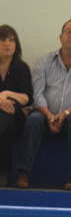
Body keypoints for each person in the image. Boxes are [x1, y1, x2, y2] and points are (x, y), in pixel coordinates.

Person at [15, 19, 71, 190]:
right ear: (60, 37)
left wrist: (65, 113)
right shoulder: (44, 61)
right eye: (68, 31)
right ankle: (23, 173)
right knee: (33, 119)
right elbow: (37, 94)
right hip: (44, 114)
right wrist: (48, 115)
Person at [0, 25, 33, 183]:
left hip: (18, 117)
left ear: (16, 44)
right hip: (5, 122)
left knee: (10, 109)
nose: (7, 43)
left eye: (11, 40)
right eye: (3, 39)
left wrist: (6, 94)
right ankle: (3, 172)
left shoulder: (21, 68)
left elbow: (27, 98)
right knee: (5, 123)